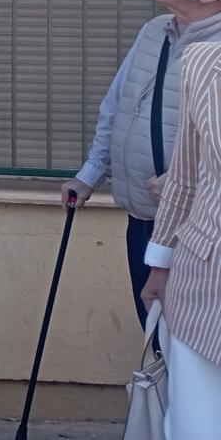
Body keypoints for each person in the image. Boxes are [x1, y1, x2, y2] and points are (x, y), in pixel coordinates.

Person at [63, 0, 221, 329]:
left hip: (200, 234)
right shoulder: (155, 32)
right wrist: (89, 174)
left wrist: (190, 184)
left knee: (194, 347)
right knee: (154, 333)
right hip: (145, 220)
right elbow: (118, 104)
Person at [141, 41, 221, 438]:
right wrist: (160, 264)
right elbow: (185, 179)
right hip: (204, 288)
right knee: (196, 427)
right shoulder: (204, 63)